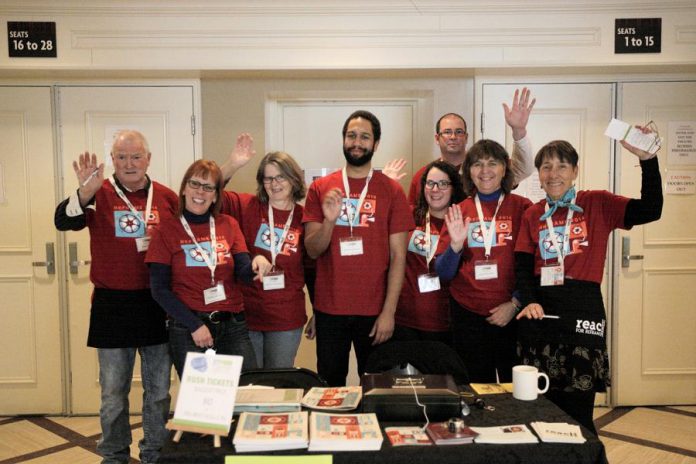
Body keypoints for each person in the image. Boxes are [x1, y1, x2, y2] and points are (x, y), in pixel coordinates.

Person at [514, 133, 663, 434]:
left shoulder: (596, 203)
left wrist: (648, 161)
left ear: (575, 172)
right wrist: (529, 300)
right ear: (539, 175)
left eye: (562, 166)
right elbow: (521, 266)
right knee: (539, 408)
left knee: (579, 412)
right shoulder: (532, 214)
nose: (553, 174)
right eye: (546, 167)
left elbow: (651, 208)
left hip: (584, 311)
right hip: (542, 312)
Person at [54, 130, 175, 464]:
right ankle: (114, 455)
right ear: (113, 160)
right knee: (112, 395)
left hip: (157, 304)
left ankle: (154, 453)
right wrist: (82, 193)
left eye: (136, 156)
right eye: (121, 157)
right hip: (112, 305)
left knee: (158, 392)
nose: (129, 163)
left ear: (148, 159)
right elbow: (62, 221)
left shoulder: (166, 197)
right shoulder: (98, 193)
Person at [303, 110, 414, 386]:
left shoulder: (392, 190)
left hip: (375, 311)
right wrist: (329, 221)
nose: (357, 142)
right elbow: (313, 250)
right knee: (329, 387)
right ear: (343, 140)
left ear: (375, 144)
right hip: (330, 310)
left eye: (365, 137)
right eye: (351, 135)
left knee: (375, 388)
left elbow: (399, 256)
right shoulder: (320, 188)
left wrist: (389, 312)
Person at [147, 159, 264, 378]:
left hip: (233, 326)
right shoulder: (166, 230)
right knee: (202, 404)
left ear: (216, 195)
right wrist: (194, 325)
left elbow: (243, 272)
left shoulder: (229, 224)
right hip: (189, 327)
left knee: (248, 392)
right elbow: (159, 289)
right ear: (183, 189)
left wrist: (257, 263)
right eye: (195, 184)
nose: (200, 191)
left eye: (208, 187)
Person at [435, 140, 533, 383]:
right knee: (476, 391)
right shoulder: (458, 210)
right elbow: (443, 274)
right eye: (477, 164)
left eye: (492, 163)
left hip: (513, 314)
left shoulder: (523, 208)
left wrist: (515, 303)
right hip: (467, 316)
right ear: (468, 171)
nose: (485, 170)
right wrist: (455, 246)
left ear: (505, 168)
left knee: (516, 390)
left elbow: (535, 264)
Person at [219, 136, 308, 368]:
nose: (274, 184)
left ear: (294, 179)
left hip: (286, 318)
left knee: (278, 384)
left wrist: (318, 310)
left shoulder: (305, 218)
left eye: (281, 177)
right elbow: (208, 192)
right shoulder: (247, 206)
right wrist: (233, 164)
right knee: (251, 386)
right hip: (247, 314)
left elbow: (314, 269)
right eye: (268, 178)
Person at [408, 87, 536, 203]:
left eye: (459, 132)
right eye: (447, 132)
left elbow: (523, 169)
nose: (453, 137)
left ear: (466, 137)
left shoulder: (485, 170)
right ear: (437, 138)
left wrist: (519, 130)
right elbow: (413, 215)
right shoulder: (424, 175)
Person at [392, 160, 465, 344]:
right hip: (403, 318)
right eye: (430, 183)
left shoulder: (459, 222)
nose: (435, 189)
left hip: (442, 323)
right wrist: (388, 185)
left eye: (443, 184)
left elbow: (448, 273)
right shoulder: (408, 214)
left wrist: (456, 245)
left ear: (453, 188)